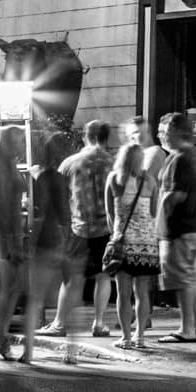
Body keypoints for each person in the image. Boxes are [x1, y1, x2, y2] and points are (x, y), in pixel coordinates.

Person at [39, 120, 115, 339]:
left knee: (71, 279)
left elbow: (58, 197)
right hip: (106, 228)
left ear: (85, 136)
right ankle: (99, 324)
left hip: (77, 228)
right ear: (106, 138)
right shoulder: (114, 163)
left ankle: (60, 323)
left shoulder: (70, 163)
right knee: (103, 276)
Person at [157, 111, 196, 342]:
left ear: (176, 133)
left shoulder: (179, 159)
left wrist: (157, 221)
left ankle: (186, 329)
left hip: (178, 227)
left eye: (164, 131)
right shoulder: (195, 155)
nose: (161, 136)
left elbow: (174, 195)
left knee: (182, 278)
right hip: (193, 225)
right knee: (190, 275)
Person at [105, 139, 159, 350]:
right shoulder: (151, 181)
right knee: (142, 293)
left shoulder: (114, 179)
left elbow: (110, 213)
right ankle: (140, 337)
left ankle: (126, 338)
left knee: (123, 293)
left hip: (124, 243)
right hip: (147, 244)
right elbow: (155, 212)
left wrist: (115, 235)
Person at [0, 125, 28, 361]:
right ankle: (0, 337)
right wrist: (15, 242)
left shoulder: (4, 165)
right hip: (8, 230)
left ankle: (0, 336)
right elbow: (7, 206)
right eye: (19, 141)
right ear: (10, 143)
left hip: (7, 229)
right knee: (10, 287)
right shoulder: (3, 168)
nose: (23, 145)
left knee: (10, 287)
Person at [28, 135, 72, 356]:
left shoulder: (42, 177)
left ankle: (38, 324)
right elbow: (64, 208)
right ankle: (49, 322)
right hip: (59, 233)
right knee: (64, 280)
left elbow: (40, 208)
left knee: (38, 285)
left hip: (46, 234)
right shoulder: (60, 178)